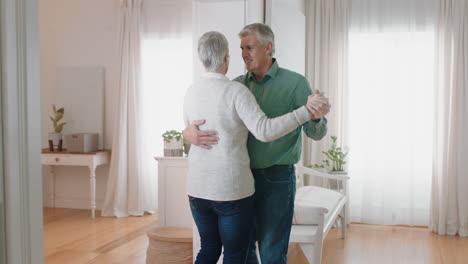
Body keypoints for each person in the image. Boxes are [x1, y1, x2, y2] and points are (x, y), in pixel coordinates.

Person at [184, 24, 330, 264]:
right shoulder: (237, 85)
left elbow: (316, 133)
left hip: (277, 179)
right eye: (241, 48)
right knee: (244, 251)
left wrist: (314, 115)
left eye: (249, 47)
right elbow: (210, 120)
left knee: (272, 252)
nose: (244, 54)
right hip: (239, 183)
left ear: (268, 47)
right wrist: (187, 134)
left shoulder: (295, 83)